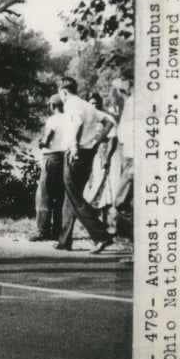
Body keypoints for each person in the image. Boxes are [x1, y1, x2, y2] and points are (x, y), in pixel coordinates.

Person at [56, 76, 116, 254]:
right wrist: (96, 143)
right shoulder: (87, 105)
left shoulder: (71, 105)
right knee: (72, 196)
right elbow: (109, 122)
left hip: (76, 153)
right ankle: (64, 240)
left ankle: (101, 236)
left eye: (61, 94)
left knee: (75, 197)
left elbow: (78, 123)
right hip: (89, 153)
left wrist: (74, 145)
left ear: (64, 92)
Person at [33, 94, 68, 242]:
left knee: (44, 194)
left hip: (51, 157)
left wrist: (40, 142)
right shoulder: (68, 119)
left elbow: (47, 141)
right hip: (63, 158)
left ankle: (43, 231)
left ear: (52, 105)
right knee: (60, 196)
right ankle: (57, 231)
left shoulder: (52, 120)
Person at [83, 92, 119, 225]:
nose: (95, 106)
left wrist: (108, 158)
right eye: (92, 103)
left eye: (97, 103)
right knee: (90, 185)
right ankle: (93, 222)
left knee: (103, 186)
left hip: (102, 154)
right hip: (88, 154)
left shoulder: (106, 118)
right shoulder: (87, 118)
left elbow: (113, 139)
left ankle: (104, 221)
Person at [110, 78, 135, 240]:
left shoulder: (134, 103)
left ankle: (135, 243)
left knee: (121, 201)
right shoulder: (128, 104)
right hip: (127, 156)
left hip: (132, 158)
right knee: (123, 201)